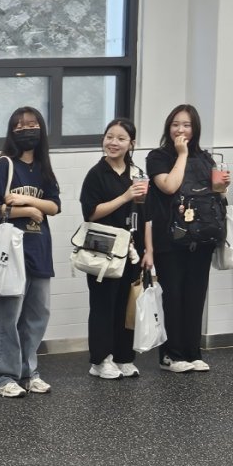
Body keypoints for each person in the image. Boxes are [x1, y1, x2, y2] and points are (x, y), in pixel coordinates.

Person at [142, 104, 227, 373]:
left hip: (201, 236)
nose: (181, 129)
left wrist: (222, 186)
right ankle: (172, 355)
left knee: (195, 295)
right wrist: (181, 154)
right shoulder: (158, 156)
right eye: (176, 124)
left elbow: (215, 195)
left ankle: (193, 352)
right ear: (168, 127)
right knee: (173, 295)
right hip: (170, 237)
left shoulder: (205, 157)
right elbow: (168, 186)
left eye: (187, 125)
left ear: (196, 128)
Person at [0, 106, 61, 398]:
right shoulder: (5, 165)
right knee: (9, 316)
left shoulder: (43, 167)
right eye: (19, 125)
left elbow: (54, 205)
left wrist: (30, 202)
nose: (26, 129)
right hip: (11, 253)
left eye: (31, 124)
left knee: (37, 314)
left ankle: (30, 372)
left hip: (40, 249)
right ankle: (3, 376)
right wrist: (26, 209)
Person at [79, 118, 148, 379]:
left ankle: (123, 356)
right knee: (103, 304)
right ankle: (99, 360)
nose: (113, 143)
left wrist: (147, 250)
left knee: (125, 303)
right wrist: (125, 197)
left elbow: (146, 214)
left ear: (132, 144)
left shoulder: (137, 173)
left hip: (131, 245)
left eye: (121, 138)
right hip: (102, 244)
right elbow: (91, 213)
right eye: (110, 136)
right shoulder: (96, 174)